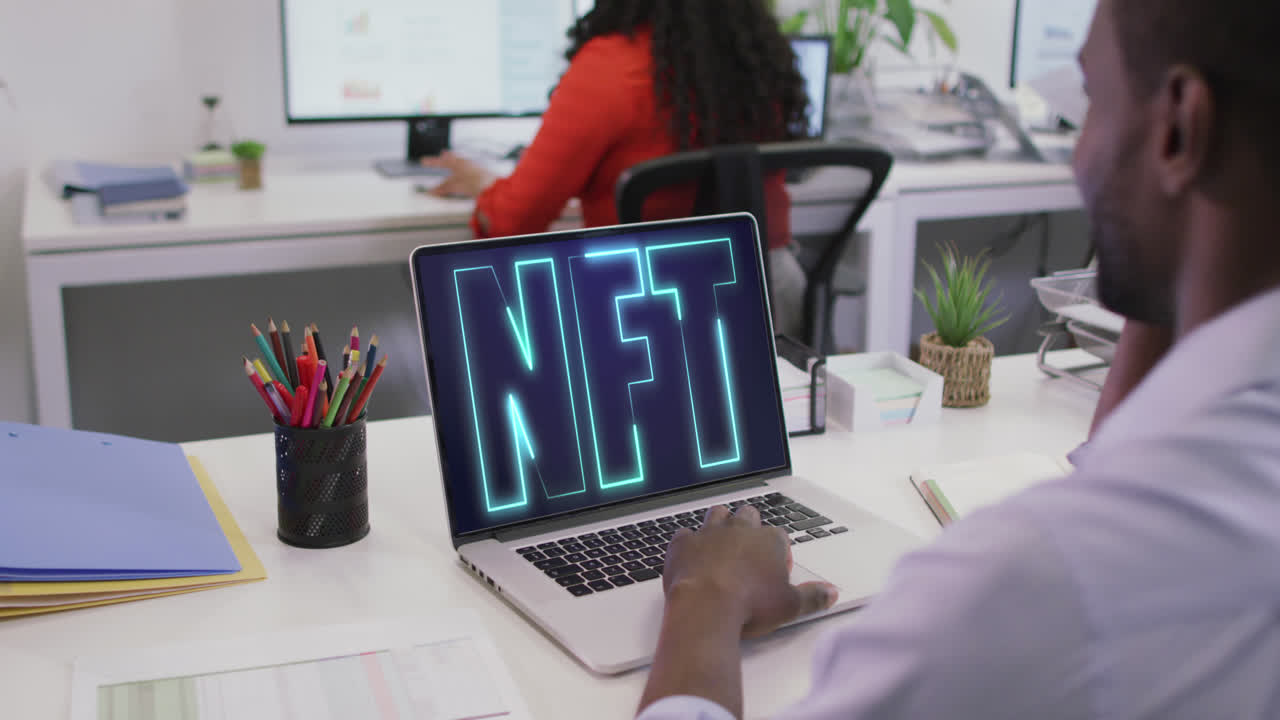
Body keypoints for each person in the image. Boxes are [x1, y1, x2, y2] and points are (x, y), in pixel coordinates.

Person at [636, 0, 1280, 717]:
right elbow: (1128, 471)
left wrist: (705, 598)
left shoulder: (1028, 586)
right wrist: (1177, 273)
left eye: (1092, 98)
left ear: (1180, 128)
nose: (1079, 153)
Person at [422, 0, 813, 338]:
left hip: (640, 309)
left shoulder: (610, 68)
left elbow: (514, 221)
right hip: (768, 297)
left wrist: (488, 190)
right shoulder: (759, 64)